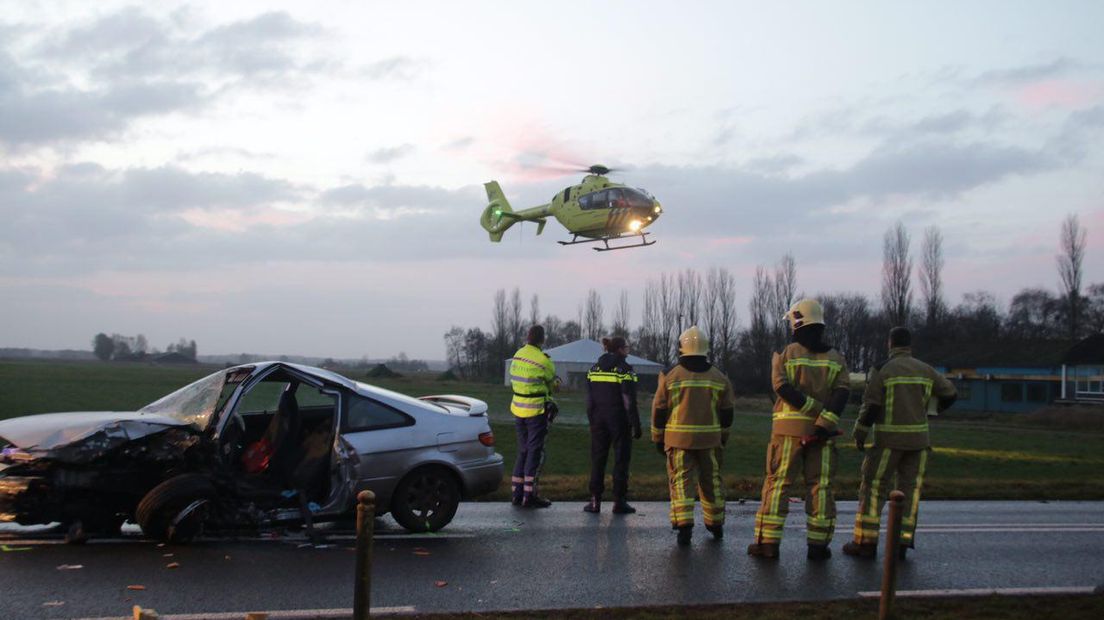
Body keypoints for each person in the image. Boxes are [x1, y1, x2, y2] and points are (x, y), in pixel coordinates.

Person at [748, 299, 850, 561]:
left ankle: (767, 544)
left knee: (778, 484)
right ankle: (818, 545)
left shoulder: (788, 353)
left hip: (787, 433)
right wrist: (823, 423)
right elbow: (841, 395)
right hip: (824, 436)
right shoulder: (837, 358)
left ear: (797, 322)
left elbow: (781, 387)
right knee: (821, 486)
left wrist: (810, 407)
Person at [843, 326, 957, 560]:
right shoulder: (926, 370)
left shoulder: (883, 369)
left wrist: (859, 433)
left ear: (890, 344)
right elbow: (950, 393)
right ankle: (901, 545)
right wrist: (931, 411)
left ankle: (865, 542)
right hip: (919, 442)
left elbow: (872, 405)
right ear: (909, 345)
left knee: (874, 488)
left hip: (888, 441)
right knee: (909, 492)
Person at [652, 326, 736, 545]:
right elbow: (727, 412)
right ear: (706, 348)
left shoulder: (670, 376)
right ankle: (716, 524)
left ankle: (684, 526)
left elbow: (659, 410)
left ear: (682, 348)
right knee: (712, 483)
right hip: (710, 441)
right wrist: (723, 437)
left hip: (678, 441)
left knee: (681, 482)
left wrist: (657, 437)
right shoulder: (720, 377)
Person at [584, 336, 642, 514]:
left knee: (598, 459)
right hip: (619, 421)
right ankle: (619, 501)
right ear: (619, 350)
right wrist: (636, 424)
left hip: (598, 420)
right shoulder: (625, 370)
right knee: (621, 460)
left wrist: (592, 418)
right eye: (627, 347)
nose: (628, 350)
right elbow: (628, 400)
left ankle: (595, 501)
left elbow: (589, 399)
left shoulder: (593, 369)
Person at [508, 325, 558, 509]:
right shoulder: (544, 360)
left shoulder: (518, 354)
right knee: (534, 452)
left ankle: (516, 493)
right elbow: (552, 380)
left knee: (522, 450)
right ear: (542, 339)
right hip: (536, 410)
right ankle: (529, 495)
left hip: (518, 409)